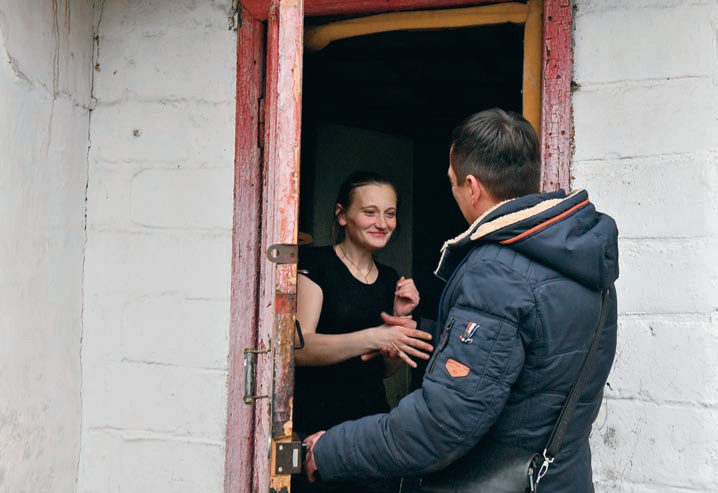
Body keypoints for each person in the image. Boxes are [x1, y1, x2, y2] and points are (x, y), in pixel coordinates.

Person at [303, 109, 619, 493]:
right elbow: (536, 360)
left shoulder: (497, 271)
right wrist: (427, 332)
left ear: (472, 187)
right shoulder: (584, 261)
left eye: (452, 182)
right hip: (562, 480)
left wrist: (332, 449)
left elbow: (441, 425)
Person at [292, 171, 434, 493]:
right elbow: (300, 348)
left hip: (370, 428)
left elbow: (386, 370)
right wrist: (375, 335)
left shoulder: (391, 279)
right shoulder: (316, 264)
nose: (382, 223)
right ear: (342, 215)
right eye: (370, 212)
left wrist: (399, 320)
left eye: (390, 213)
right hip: (315, 426)